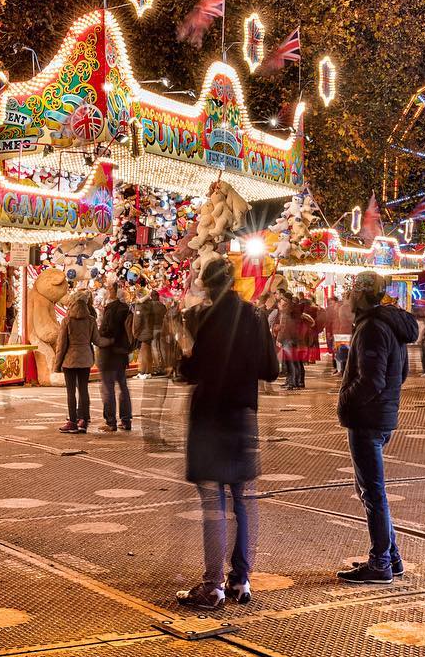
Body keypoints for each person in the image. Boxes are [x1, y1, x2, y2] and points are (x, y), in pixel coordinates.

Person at [176, 257, 278, 610]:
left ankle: (212, 585)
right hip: (242, 417)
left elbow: (193, 370)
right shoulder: (254, 316)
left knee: (213, 504)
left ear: (207, 284)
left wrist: (185, 357)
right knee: (244, 500)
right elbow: (271, 369)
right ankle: (241, 579)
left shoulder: (203, 318)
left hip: (209, 419)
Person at [336, 271, 419, 584]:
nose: (346, 299)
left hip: (368, 417)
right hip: (383, 415)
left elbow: (372, 378)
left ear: (359, 295)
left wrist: (346, 400)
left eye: (349, 294)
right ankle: (391, 558)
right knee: (369, 489)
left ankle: (381, 562)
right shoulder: (391, 324)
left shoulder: (371, 327)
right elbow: (403, 371)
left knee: (372, 492)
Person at [55, 293, 99, 433]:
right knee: (83, 390)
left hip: (70, 361)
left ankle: (72, 422)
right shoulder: (91, 320)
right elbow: (97, 340)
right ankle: (83, 421)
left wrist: (57, 364)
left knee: (71, 392)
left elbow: (61, 345)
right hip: (85, 360)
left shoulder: (67, 321)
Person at [96, 285, 133, 432]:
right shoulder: (127, 309)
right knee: (123, 386)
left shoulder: (111, 309)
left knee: (108, 388)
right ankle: (126, 420)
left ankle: (110, 421)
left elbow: (106, 330)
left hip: (109, 353)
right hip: (122, 353)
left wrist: (100, 335)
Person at [291, 291, 322, 389]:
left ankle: (298, 381)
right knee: (298, 362)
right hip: (301, 340)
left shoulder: (298, 316)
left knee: (297, 362)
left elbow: (311, 323)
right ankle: (299, 381)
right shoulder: (303, 316)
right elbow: (312, 323)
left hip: (298, 341)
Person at [133, 290, 167, 378]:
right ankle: (163, 366)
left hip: (153, 328)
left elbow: (141, 319)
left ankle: (157, 367)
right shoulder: (162, 305)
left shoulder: (149, 305)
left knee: (154, 348)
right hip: (162, 327)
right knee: (162, 347)